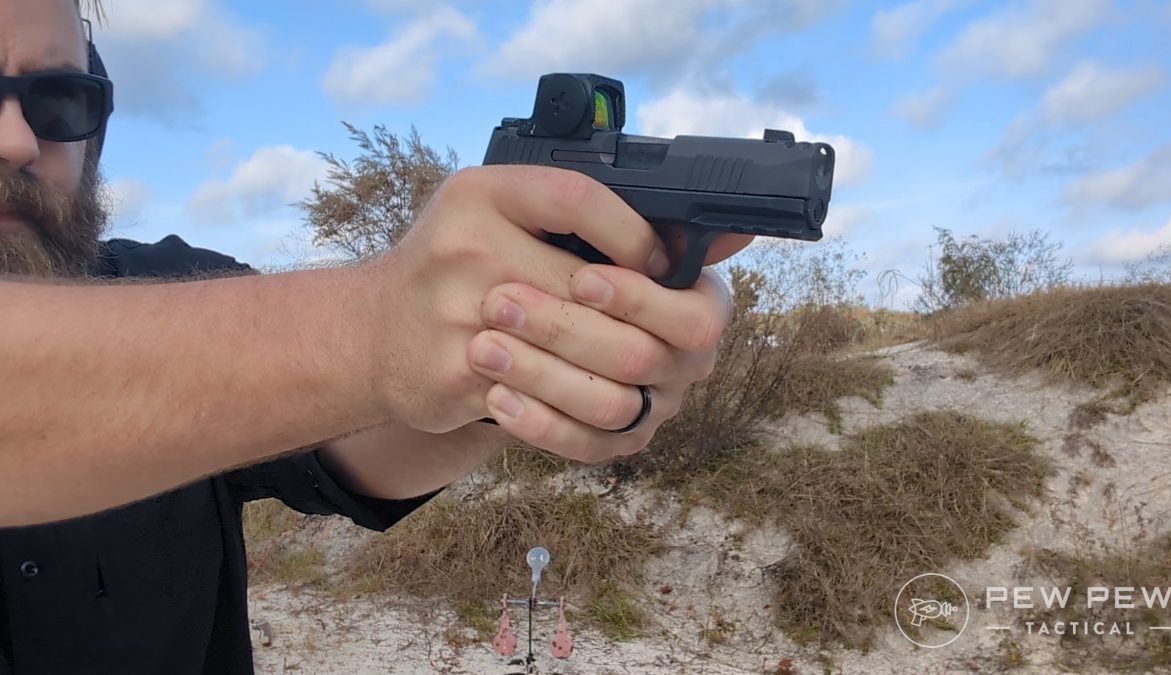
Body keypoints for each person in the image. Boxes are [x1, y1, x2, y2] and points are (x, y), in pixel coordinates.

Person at [0, 0, 749, 673]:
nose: (16, 141)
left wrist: (511, 352)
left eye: (57, 98)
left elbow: (355, 446)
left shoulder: (173, 285)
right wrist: (373, 325)